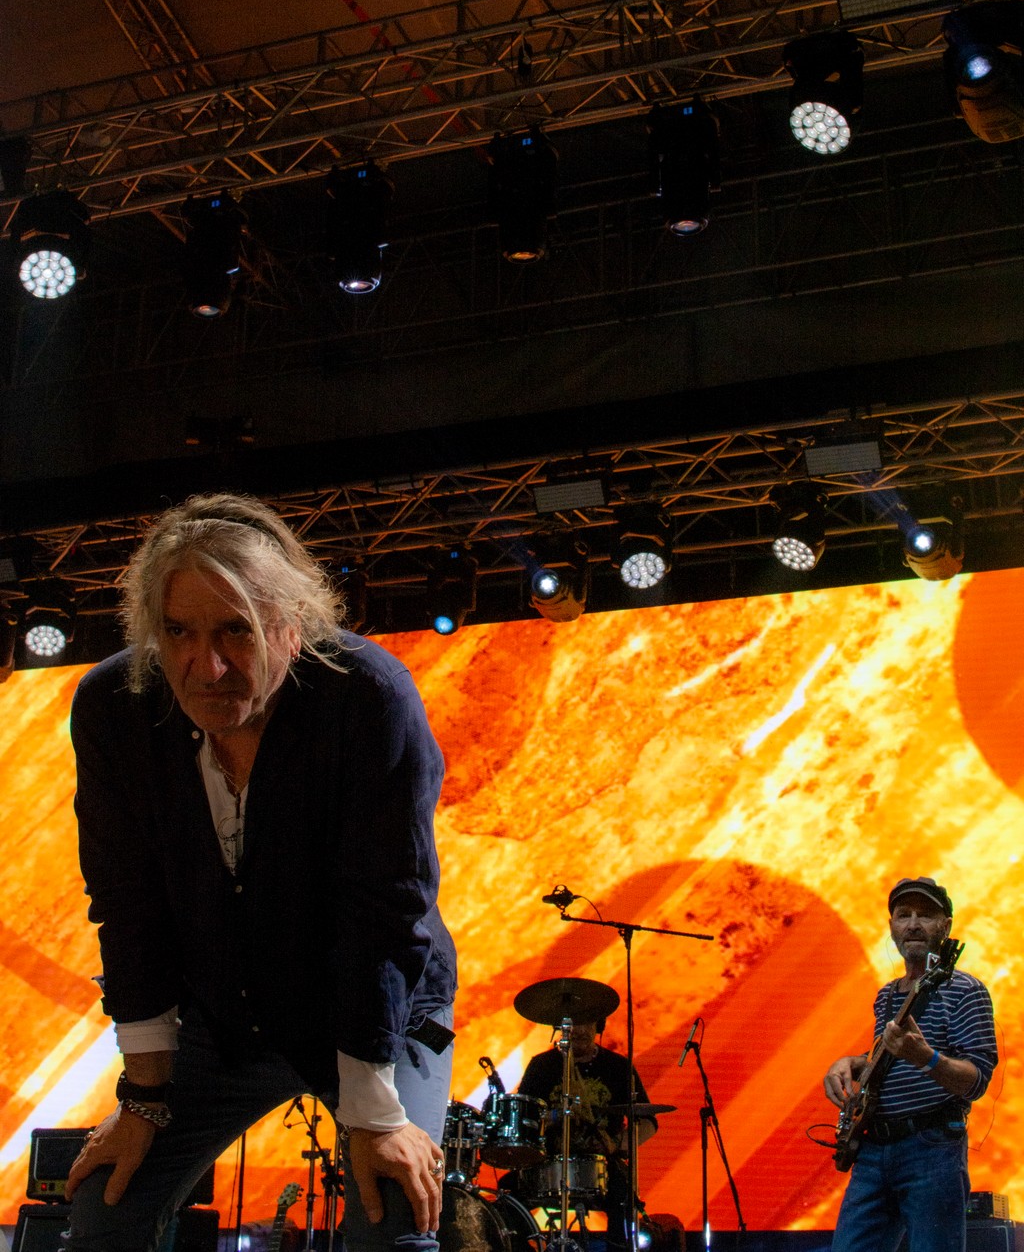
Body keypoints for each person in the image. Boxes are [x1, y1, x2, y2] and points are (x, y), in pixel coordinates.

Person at [62, 492, 457, 1252]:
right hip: (218, 1018)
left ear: (291, 626)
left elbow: (384, 913)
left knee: (392, 1219)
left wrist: (374, 1114)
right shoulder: (114, 705)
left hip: (368, 1011)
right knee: (104, 1214)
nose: (205, 668)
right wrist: (142, 1098)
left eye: (236, 631)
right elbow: (127, 904)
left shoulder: (368, 696)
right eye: (178, 632)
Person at [823, 877, 997, 1252]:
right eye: (904, 915)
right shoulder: (886, 995)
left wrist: (926, 1058)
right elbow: (884, 1057)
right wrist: (850, 1063)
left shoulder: (966, 990)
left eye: (925, 915)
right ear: (892, 927)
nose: (913, 924)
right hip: (872, 1151)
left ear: (945, 927)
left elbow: (977, 1080)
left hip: (931, 1147)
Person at [513, 1020, 657, 1248]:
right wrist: (551, 1119)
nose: (580, 1031)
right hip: (547, 1164)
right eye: (574, 1024)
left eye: (586, 1023)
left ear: (598, 1026)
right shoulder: (542, 1066)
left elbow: (648, 1121)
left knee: (623, 1198)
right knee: (508, 1198)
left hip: (603, 1165)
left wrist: (617, 1144)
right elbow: (523, 1117)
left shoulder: (618, 1067)